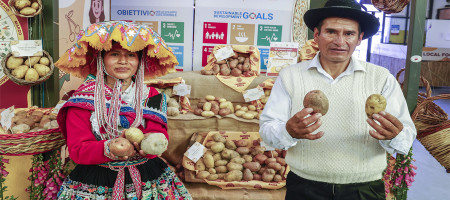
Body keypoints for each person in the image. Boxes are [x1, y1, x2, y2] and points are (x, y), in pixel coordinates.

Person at [259, 0, 417, 199]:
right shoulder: (290, 76)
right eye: (331, 32)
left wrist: (393, 135)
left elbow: (406, 140)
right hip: (305, 188)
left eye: (349, 34)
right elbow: (267, 130)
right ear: (316, 35)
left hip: (364, 189)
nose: (339, 41)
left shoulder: (381, 77)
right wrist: (288, 131)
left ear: (360, 38)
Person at [55, 21, 192, 199]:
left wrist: (149, 146)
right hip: (97, 179)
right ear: (101, 58)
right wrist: (109, 148)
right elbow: (78, 150)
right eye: (115, 54)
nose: (123, 61)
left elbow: (160, 134)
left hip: (148, 177)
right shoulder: (82, 99)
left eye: (131, 55)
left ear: (139, 60)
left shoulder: (152, 95)